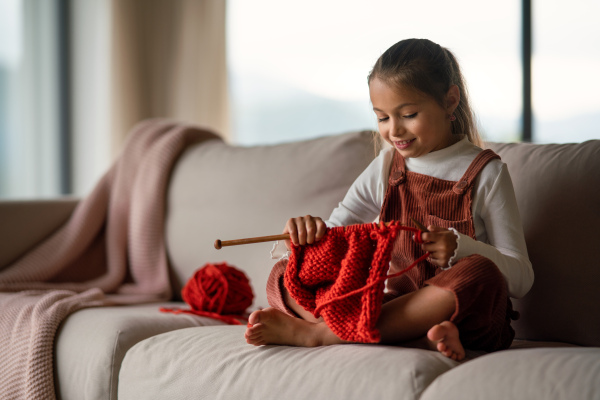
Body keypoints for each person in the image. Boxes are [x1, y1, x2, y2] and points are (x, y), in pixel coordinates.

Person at [244, 38, 533, 361]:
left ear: (450, 100)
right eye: (382, 118)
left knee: (479, 272)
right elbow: (336, 236)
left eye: (408, 114)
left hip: (465, 315)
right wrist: (306, 234)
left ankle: (322, 333)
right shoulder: (386, 166)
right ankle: (413, 339)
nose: (394, 131)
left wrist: (462, 248)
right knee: (287, 271)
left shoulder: (486, 173)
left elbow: (521, 278)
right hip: (389, 310)